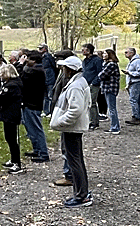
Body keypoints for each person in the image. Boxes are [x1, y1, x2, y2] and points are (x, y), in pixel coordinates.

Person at [50, 56, 92, 208]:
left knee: (75, 161)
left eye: (64, 68)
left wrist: (60, 122)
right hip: (73, 128)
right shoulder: (78, 82)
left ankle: (81, 196)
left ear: (71, 69)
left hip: (72, 129)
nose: (63, 70)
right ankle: (82, 193)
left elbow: (75, 109)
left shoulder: (75, 85)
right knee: (76, 160)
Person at [50, 49, 76, 187]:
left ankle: (70, 175)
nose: (56, 62)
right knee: (66, 146)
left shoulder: (69, 76)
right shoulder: (63, 72)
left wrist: (62, 118)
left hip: (66, 116)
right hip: (61, 112)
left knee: (67, 147)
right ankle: (70, 173)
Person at [0, 64, 25, 175]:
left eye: (2, 74)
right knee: (9, 138)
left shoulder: (12, 86)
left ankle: (17, 163)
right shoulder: (13, 83)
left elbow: (2, 97)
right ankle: (13, 160)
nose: (0, 76)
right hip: (10, 114)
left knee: (12, 139)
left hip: (11, 115)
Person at [20, 50, 50, 163]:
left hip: (33, 104)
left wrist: (20, 64)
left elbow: (21, 76)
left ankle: (43, 153)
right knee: (30, 129)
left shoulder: (37, 71)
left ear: (34, 60)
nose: (26, 60)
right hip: (29, 103)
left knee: (37, 129)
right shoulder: (35, 69)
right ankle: (37, 149)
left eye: (29, 59)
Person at [98, 48, 121, 134]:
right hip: (108, 88)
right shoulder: (107, 64)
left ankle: (115, 128)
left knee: (112, 108)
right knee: (111, 108)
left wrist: (100, 74)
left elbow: (102, 75)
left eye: (105, 53)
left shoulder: (111, 65)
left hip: (110, 88)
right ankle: (114, 126)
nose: (103, 55)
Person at [81, 43, 103, 130]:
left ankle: (94, 122)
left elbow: (100, 72)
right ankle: (89, 120)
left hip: (93, 84)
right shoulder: (85, 61)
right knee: (86, 103)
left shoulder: (97, 60)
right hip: (85, 83)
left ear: (89, 50)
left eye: (84, 49)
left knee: (92, 103)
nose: (83, 51)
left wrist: (95, 82)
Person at [122, 47, 140, 125]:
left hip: (137, 82)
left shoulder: (137, 61)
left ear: (132, 53)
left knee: (133, 100)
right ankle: (138, 116)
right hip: (133, 83)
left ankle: (136, 117)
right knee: (136, 100)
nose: (125, 54)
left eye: (126, 52)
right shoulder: (132, 62)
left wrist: (130, 73)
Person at [38, 44, 57, 116]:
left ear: (45, 49)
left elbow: (54, 66)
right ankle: (45, 111)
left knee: (50, 96)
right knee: (45, 96)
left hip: (50, 78)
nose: (39, 50)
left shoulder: (48, 57)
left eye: (41, 49)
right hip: (44, 79)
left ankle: (50, 111)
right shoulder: (41, 58)